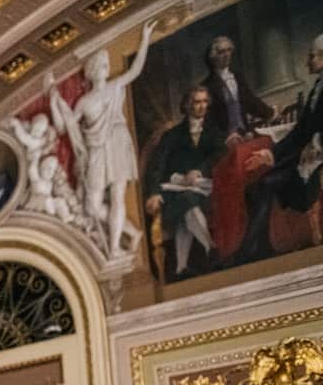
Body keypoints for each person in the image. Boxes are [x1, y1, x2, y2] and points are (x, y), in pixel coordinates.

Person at [47, 20, 157, 255]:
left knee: (118, 194)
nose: (106, 68)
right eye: (102, 65)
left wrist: (146, 38)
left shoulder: (115, 86)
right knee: (91, 207)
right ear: (94, 70)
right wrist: (55, 101)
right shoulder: (84, 101)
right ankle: (130, 232)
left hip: (117, 139)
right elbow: (63, 127)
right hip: (96, 149)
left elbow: (135, 71)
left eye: (106, 64)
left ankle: (115, 247)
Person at [239, 35, 323, 263]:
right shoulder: (318, 86)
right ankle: (261, 247)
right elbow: (298, 133)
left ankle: (247, 253)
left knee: (264, 185)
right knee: (253, 187)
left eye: (312, 56)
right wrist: (270, 154)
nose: (307, 62)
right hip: (303, 156)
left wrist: (317, 144)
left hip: (316, 161)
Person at [144, 85, 224, 277]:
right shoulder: (171, 135)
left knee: (187, 209)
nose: (202, 106)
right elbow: (156, 166)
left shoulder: (213, 132)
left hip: (203, 188)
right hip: (172, 189)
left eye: (205, 102)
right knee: (187, 200)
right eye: (197, 102)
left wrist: (199, 170)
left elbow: (220, 155)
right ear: (187, 105)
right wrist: (154, 192)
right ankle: (211, 248)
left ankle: (181, 267)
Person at [201, 36, 273, 142]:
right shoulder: (207, 86)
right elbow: (208, 121)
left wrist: (271, 113)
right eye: (221, 52)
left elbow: (250, 101)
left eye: (229, 50)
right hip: (225, 140)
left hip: (245, 133)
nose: (227, 55)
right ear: (213, 56)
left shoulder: (237, 76)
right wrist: (224, 138)